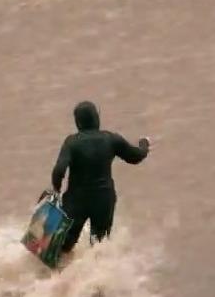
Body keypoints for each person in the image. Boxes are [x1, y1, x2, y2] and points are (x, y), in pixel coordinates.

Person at [50, 101, 151, 256]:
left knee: (64, 246)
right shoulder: (111, 139)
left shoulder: (71, 142)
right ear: (97, 118)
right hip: (103, 199)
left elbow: (59, 170)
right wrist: (144, 145)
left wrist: (56, 191)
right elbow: (135, 157)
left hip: (76, 201)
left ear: (78, 122)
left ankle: (57, 275)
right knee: (98, 245)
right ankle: (96, 275)